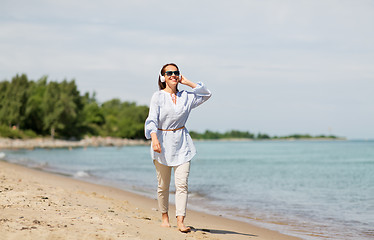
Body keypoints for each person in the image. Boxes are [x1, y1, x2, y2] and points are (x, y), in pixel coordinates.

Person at [144, 63, 211, 232]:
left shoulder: (186, 97)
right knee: (163, 186)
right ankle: (164, 216)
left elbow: (206, 94)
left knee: (182, 185)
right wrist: (154, 139)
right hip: (161, 142)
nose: (173, 75)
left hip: (182, 143)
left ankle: (180, 221)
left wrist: (188, 82)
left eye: (176, 72)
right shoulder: (157, 97)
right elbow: (151, 119)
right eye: (169, 73)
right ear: (163, 77)